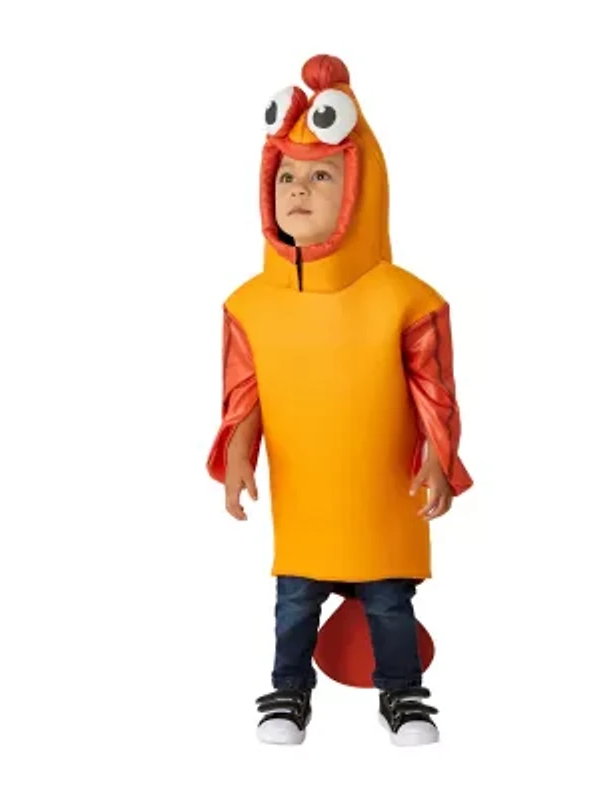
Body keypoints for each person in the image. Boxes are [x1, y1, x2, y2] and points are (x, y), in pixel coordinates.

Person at [206, 54, 473, 746]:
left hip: (384, 496)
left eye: (321, 175)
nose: (299, 189)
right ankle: (288, 691)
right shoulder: (251, 304)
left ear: (361, 189)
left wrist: (439, 459)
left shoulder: (404, 299)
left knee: (388, 602)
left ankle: (403, 694)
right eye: (287, 176)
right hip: (305, 503)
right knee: (294, 601)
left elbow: (434, 392)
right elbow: (245, 395)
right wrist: (238, 456)